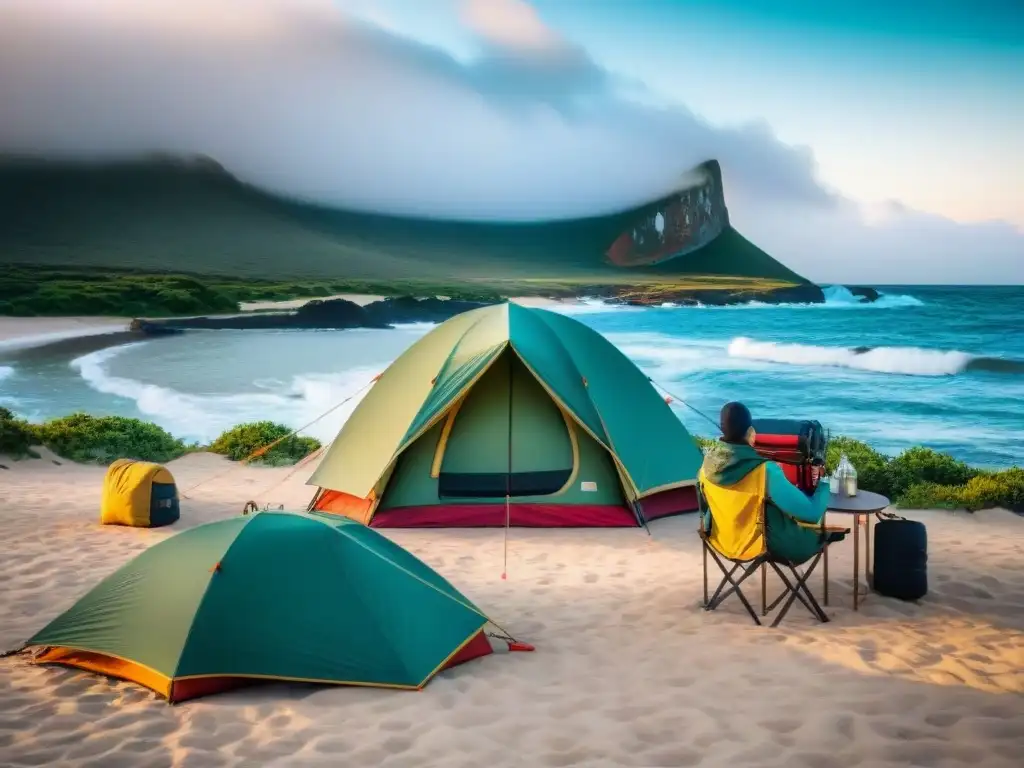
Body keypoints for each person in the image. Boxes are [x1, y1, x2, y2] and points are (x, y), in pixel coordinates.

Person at [699, 402, 840, 563]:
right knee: (818, 533)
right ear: (751, 433)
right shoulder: (765, 471)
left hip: (722, 541)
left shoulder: (705, 467)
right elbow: (811, 513)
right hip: (765, 546)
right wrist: (824, 484)